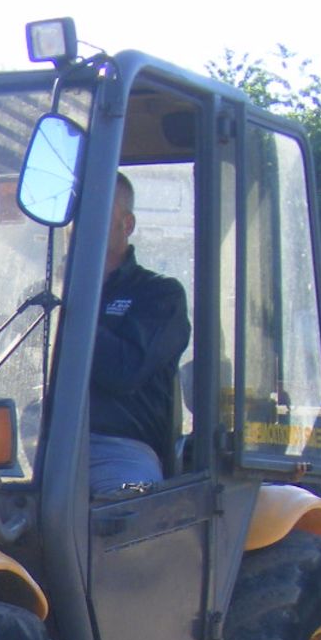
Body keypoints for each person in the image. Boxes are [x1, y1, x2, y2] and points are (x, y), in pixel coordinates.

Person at [89, 173, 190, 493]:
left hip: (117, 449)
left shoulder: (158, 295)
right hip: (36, 444)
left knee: (116, 517)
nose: (80, 223)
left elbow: (125, 371)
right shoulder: (42, 294)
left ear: (127, 225)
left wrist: (72, 303)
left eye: (94, 211)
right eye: (74, 212)